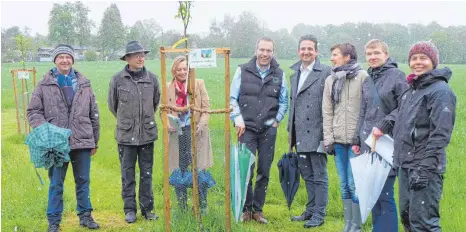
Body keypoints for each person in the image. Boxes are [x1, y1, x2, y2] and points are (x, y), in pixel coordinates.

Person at [378, 41, 456, 231]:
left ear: (433, 62)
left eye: (423, 58)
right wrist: (383, 125)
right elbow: (402, 117)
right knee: (408, 218)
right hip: (405, 165)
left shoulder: (441, 92)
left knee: (424, 224)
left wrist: (425, 169)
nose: (418, 62)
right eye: (414, 58)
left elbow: (440, 135)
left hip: (425, 168)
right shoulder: (411, 90)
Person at [27, 44, 100, 232]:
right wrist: (47, 134)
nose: (65, 60)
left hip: (82, 140)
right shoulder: (44, 84)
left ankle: (85, 216)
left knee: (83, 181)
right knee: (56, 183)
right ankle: (54, 222)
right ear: (55, 60)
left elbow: (94, 113)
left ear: (73, 59)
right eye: (60, 57)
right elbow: (34, 111)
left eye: (68, 57)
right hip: (56, 145)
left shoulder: (84, 83)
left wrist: (94, 141)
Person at [351, 39, 409, 232]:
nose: (373, 57)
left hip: (387, 144)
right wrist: (356, 139)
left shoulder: (397, 76)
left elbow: (406, 107)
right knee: (372, 193)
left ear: (386, 54)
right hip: (369, 144)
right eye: (369, 54)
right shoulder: (368, 80)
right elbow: (364, 111)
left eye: (376, 53)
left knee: (384, 194)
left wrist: (385, 124)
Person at [230, 36, 288, 224]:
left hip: (268, 131)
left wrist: (277, 120)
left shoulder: (279, 74)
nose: (265, 54)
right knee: (246, 169)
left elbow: (284, 101)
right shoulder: (242, 70)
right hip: (245, 129)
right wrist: (238, 120)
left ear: (273, 52)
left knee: (264, 169)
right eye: (262, 50)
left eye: (268, 50)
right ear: (256, 50)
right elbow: (232, 99)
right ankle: (246, 209)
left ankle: (258, 210)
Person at [108, 40, 161, 223]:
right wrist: (128, 122)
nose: (141, 58)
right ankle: (130, 210)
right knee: (127, 174)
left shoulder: (152, 79)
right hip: (125, 136)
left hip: (147, 135)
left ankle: (147, 210)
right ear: (127, 58)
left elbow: (155, 103)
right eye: (136, 55)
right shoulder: (117, 79)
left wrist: (143, 122)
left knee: (147, 173)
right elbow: (113, 106)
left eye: (142, 54)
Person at [322, 43, 368, 232]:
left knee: (353, 183)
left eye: (335, 55)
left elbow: (367, 109)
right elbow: (327, 111)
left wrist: (362, 138)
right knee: (343, 184)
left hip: (356, 142)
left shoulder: (363, 77)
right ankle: (347, 224)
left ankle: (356, 226)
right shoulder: (330, 80)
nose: (332, 58)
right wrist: (328, 138)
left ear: (347, 57)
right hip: (338, 140)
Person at [288, 34, 331, 228]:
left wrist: (327, 133)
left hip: (318, 132)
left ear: (316, 51)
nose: (306, 52)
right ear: (299, 51)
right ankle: (310, 210)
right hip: (299, 133)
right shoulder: (295, 73)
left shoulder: (326, 72)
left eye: (310, 49)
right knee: (307, 175)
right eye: (303, 48)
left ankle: (319, 215)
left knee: (319, 175)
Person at [166, 56, 215, 214]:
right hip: (177, 134)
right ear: (174, 70)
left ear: (189, 70)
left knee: (199, 169)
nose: (182, 72)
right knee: (179, 170)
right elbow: (164, 111)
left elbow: (206, 108)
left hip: (197, 134)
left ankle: (202, 205)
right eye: (179, 69)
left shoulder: (198, 84)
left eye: (185, 69)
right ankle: (182, 207)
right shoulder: (168, 87)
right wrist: (167, 124)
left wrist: (200, 125)